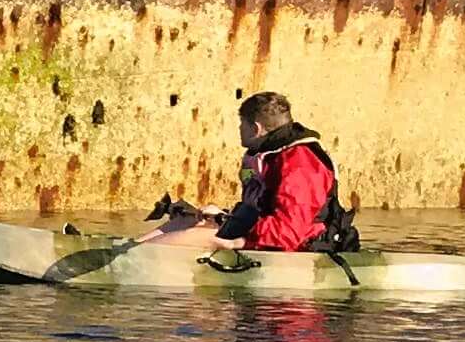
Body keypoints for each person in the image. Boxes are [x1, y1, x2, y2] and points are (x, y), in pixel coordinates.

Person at [140, 92, 351, 256]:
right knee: (186, 221)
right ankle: (131, 249)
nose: (240, 129)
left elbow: (288, 232)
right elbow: (261, 210)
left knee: (197, 235)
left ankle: (136, 261)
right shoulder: (271, 155)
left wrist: (229, 229)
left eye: (242, 124)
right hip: (267, 232)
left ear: (256, 128)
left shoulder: (300, 165)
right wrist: (223, 217)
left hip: (298, 243)